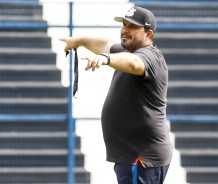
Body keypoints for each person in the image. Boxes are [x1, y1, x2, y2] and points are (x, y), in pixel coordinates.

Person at [60, 6, 173, 184]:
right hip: (130, 156)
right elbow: (105, 44)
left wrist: (106, 59)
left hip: (141, 158)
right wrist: (79, 40)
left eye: (133, 27)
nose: (125, 30)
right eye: (124, 25)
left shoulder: (150, 57)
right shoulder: (127, 51)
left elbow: (134, 63)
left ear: (148, 34)